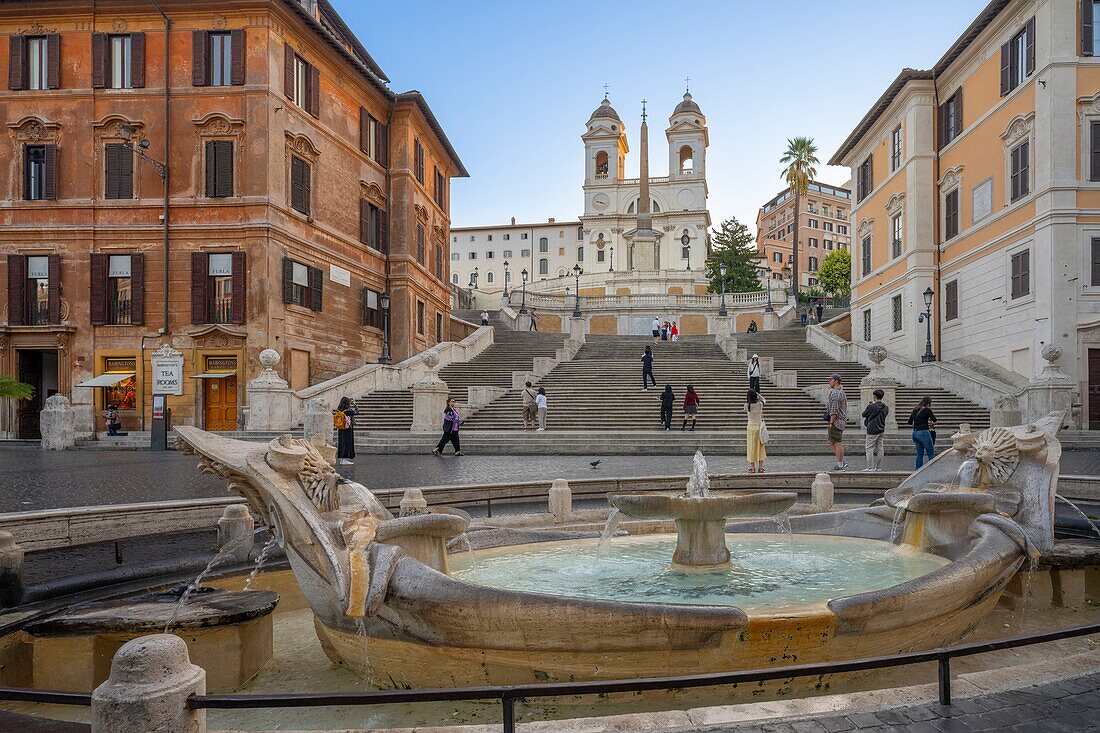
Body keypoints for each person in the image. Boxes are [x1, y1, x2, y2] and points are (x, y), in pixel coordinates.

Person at [862, 389, 889, 472]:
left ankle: (870, 467)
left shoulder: (871, 406)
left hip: (872, 429)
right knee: (880, 448)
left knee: (869, 448)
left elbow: (864, 414)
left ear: (874, 396)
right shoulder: (886, 407)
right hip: (881, 429)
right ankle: (878, 467)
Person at [907, 396, 938, 469]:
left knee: (919, 454)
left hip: (915, 433)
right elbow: (935, 421)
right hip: (924, 432)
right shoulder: (927, 410)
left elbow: (910, 422)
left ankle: (918, 471)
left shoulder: (915, 409)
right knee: (931, 453)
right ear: (929, 403)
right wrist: (930, 424)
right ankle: (932, 471)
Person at [826, 373, 848, 470]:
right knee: (832, 441)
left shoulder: (835, 393)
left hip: (836, 422)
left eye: (830, 380)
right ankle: (841, 461)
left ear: (836, 381)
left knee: (837, 442)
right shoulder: (841, 392)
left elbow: (834, 411)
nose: (829, 382)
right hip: (840, 421)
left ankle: (840, 464)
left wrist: (831, 423)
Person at [745, 389, 767, 473]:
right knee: (760, 447)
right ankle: (761, 468)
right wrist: (759, 395)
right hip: (759, 428)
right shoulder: (760, 405)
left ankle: (752, 468)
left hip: (750, 428)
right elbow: (765, 400)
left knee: (751, 447)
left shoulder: (747, 406)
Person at [334, 396, 357, 465]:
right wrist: (355, 404)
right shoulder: (348, 411)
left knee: (341, 443)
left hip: (340, 428)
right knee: (347, 443)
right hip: (347, 428)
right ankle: (345, 460)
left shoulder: (339, 410)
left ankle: (341, 459)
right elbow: (357, 411)